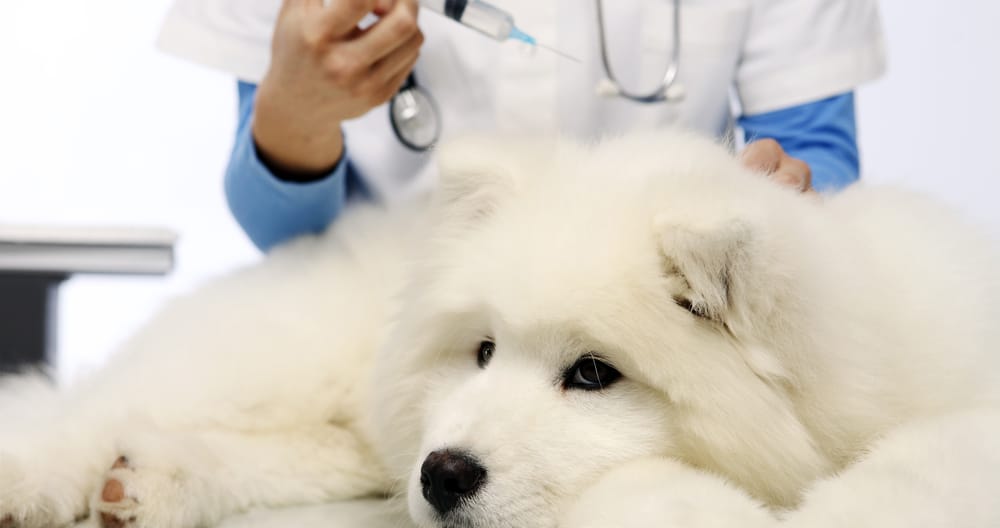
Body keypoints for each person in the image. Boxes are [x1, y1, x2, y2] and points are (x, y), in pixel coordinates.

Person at [157, 0, 886, 252]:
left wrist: (782, 202)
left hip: (643, 338)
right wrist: (297, 115)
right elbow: (287, 241)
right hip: (377, 330)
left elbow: (817, 158)